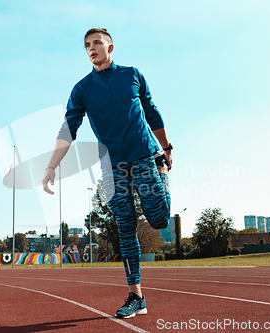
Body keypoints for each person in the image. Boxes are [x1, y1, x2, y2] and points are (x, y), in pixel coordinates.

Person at [42, 27, 172, 319]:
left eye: (97, 42)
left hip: (143, 157)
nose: (91, 48)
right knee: (124, 228)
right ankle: (136, 295)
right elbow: (67, 130)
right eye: (87, 45)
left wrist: (166, 148)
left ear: (110, 47)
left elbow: (151, 111)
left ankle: (162, 173)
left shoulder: (132, 75)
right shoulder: (82, 89)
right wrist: (51, 165)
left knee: (159, 219)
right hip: (112, 167)